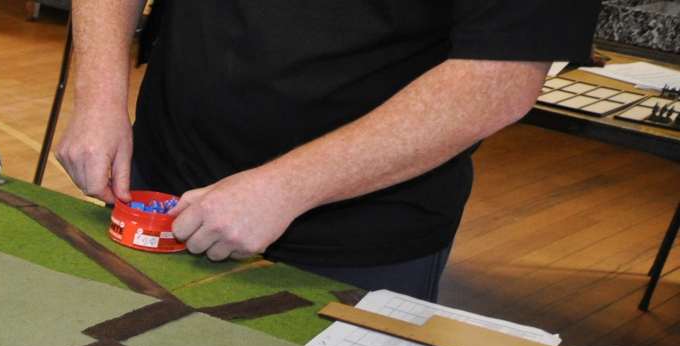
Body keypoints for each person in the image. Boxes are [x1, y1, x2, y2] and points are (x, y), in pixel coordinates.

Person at [55, 0, 595, 298]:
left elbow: (499, 79)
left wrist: (286, 187)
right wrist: (98, 94)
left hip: (356, 238)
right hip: (162, 186)